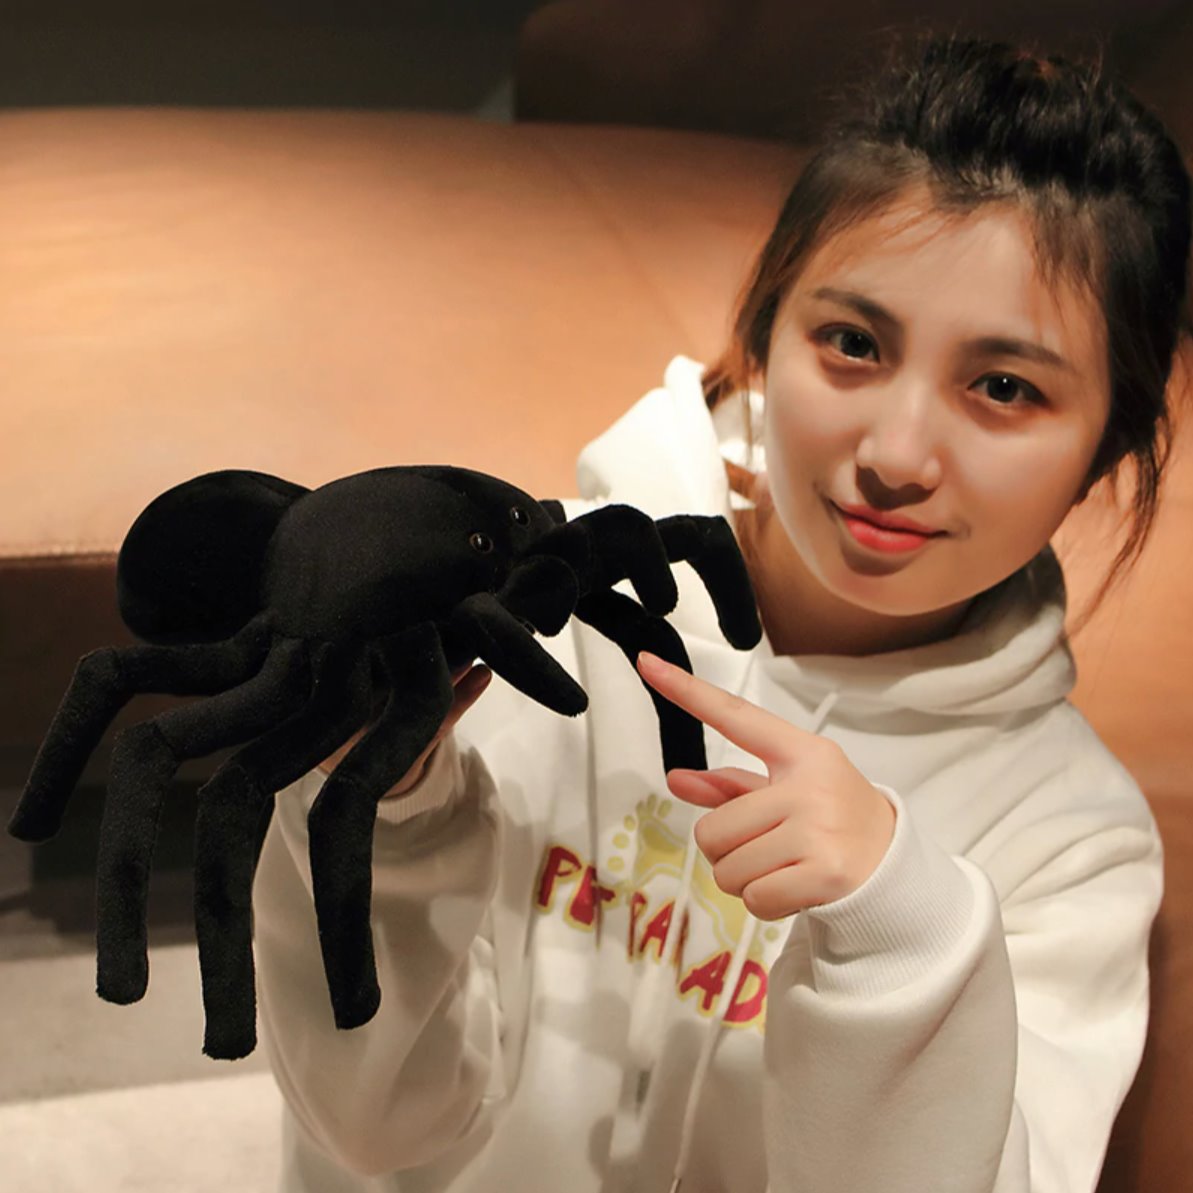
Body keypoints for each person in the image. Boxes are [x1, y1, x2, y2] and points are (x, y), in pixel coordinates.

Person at [249, 32, 1191, 1193]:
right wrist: (373, 799)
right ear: (758, 338)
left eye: (1003, 387)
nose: (895, 455)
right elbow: (371, 1130)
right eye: (851, 342)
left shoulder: (1070, 841)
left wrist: (904, 933)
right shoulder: (531, 621)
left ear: (1103, 451)